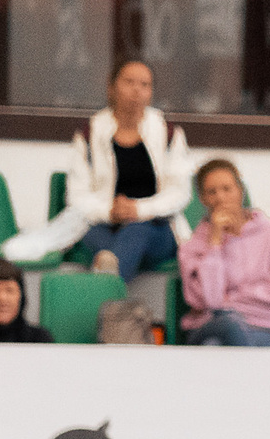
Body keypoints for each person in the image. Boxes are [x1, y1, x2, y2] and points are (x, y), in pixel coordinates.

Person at [56, 61, 194, 280]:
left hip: (156, 229)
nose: (137, 90)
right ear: (111, 87)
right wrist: (109, 211)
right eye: (129, 82)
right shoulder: (90, 132)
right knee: (94, 237)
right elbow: (77, 196)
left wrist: (138, 210)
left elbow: (180, 193)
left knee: (136, 231)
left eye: (145, 84)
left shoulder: (168, 132)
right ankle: (111, 274)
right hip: (104, 224)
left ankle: (106, 282)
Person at [178, 158, 270, 347]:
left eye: (227, 189)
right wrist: (214, 243)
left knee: (214, 346)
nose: (220, 198)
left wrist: (229, 301)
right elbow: (210, 301)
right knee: (229, 325)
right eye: (211, 192)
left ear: (241, 190)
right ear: (202, 199)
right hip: (211, 326)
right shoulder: (192, 247)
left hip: (267, 328)